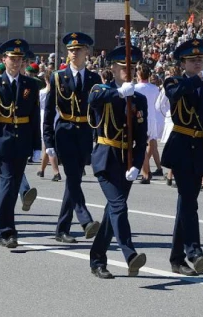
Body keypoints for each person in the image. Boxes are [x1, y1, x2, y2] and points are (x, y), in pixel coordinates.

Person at [162, 39, 203, 276]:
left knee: (187, 203)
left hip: (199, 146)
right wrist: (199, 79)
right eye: (193, 60)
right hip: (181, 145)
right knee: (188, 201)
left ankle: (176, 259)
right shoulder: (174, 81)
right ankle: (193, 252)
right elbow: (176, 94)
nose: (198, 63)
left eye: (200, 60)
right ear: (183, 64)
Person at [87, 45, 149, 279]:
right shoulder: (102, 89)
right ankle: (130, 254)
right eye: (123, 67)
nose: (128, 71)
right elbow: (93, 99)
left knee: (112, 211)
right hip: (105, 158)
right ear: (113, 68)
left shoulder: (139, 98)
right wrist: (119, 93)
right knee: (119, 206)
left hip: (127, 160)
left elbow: (142, 137)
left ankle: (97, 259)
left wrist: (138, 164)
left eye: (131, 67)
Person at [43, 32, 102, 244]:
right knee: (72, 175)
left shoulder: (95, 79)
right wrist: (48, 141)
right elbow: (49, 112)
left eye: (78, 50)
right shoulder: (58, 77)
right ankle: (85, 220)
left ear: (87, 52)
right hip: (65, 131)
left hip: (85, 132)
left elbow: (98, 112)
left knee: (74, 180)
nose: (73, 54)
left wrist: (100, 138)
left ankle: (62, 229)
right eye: (70, 50)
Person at [0, 39, 42, 248]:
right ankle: (7, 231)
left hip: (23, 140)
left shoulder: (30, 84)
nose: (16, 63)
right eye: (12, 59)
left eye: (19, 59)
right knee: (8, 184)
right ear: (3, 60)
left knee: (13, 185)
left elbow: (35, 117)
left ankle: (1, 231)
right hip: (2, 140)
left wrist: (37, 146)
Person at [135, 63, 163, 183]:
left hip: (142, 119)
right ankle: (148, 171)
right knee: (151, 145)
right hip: (153, 119)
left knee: (141, 147)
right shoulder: (154, 88)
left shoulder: (136, 88)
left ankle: (145, 173)